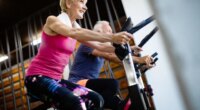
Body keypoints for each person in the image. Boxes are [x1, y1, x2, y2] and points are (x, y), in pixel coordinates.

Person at [24, 0, 133, 110]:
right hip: (36, 77)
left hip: (56, 80)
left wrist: (124, 48)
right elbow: (73, 33)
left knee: (96, 99)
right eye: (81, 2)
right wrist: (112, 37)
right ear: (68, 3)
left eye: (85, 3)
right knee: (76, 102)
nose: (85, 7)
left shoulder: (76, 27)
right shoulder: (52, 20)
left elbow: (100, 46)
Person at [68, 21, 154, 110]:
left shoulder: (102, 48)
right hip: (76, 84)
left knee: (118, 103)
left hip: (90, 87)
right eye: (109, 31)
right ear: (99, 33)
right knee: (112, 84)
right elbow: (110, 56)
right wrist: (139, 59)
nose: (112, 34)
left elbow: (121, 60)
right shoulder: (87, 43)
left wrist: (142, 65)